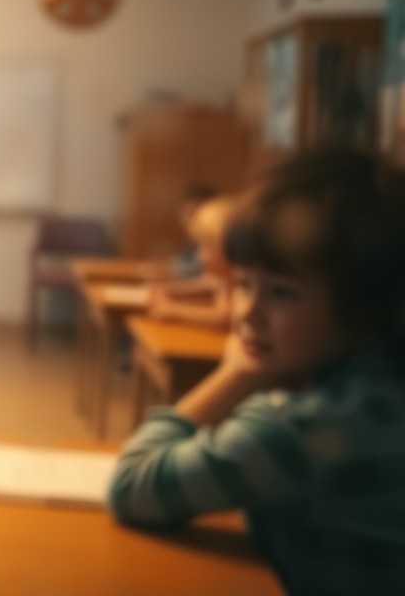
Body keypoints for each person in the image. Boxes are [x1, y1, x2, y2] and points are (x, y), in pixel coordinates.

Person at [109, 148, 405, 595]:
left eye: (281, 292)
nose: (247, 312)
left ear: (363, 308)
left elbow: (132, 487)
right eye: (243, 285)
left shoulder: (297, 430)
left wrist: (235, 374)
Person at [147, 196, 233, 330]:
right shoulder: (222, 277)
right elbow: (205, 283)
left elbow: (224, 317)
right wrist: (166, 290)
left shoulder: (234, 279)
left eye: (204, 246)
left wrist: (172, 309)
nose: (198, 255)